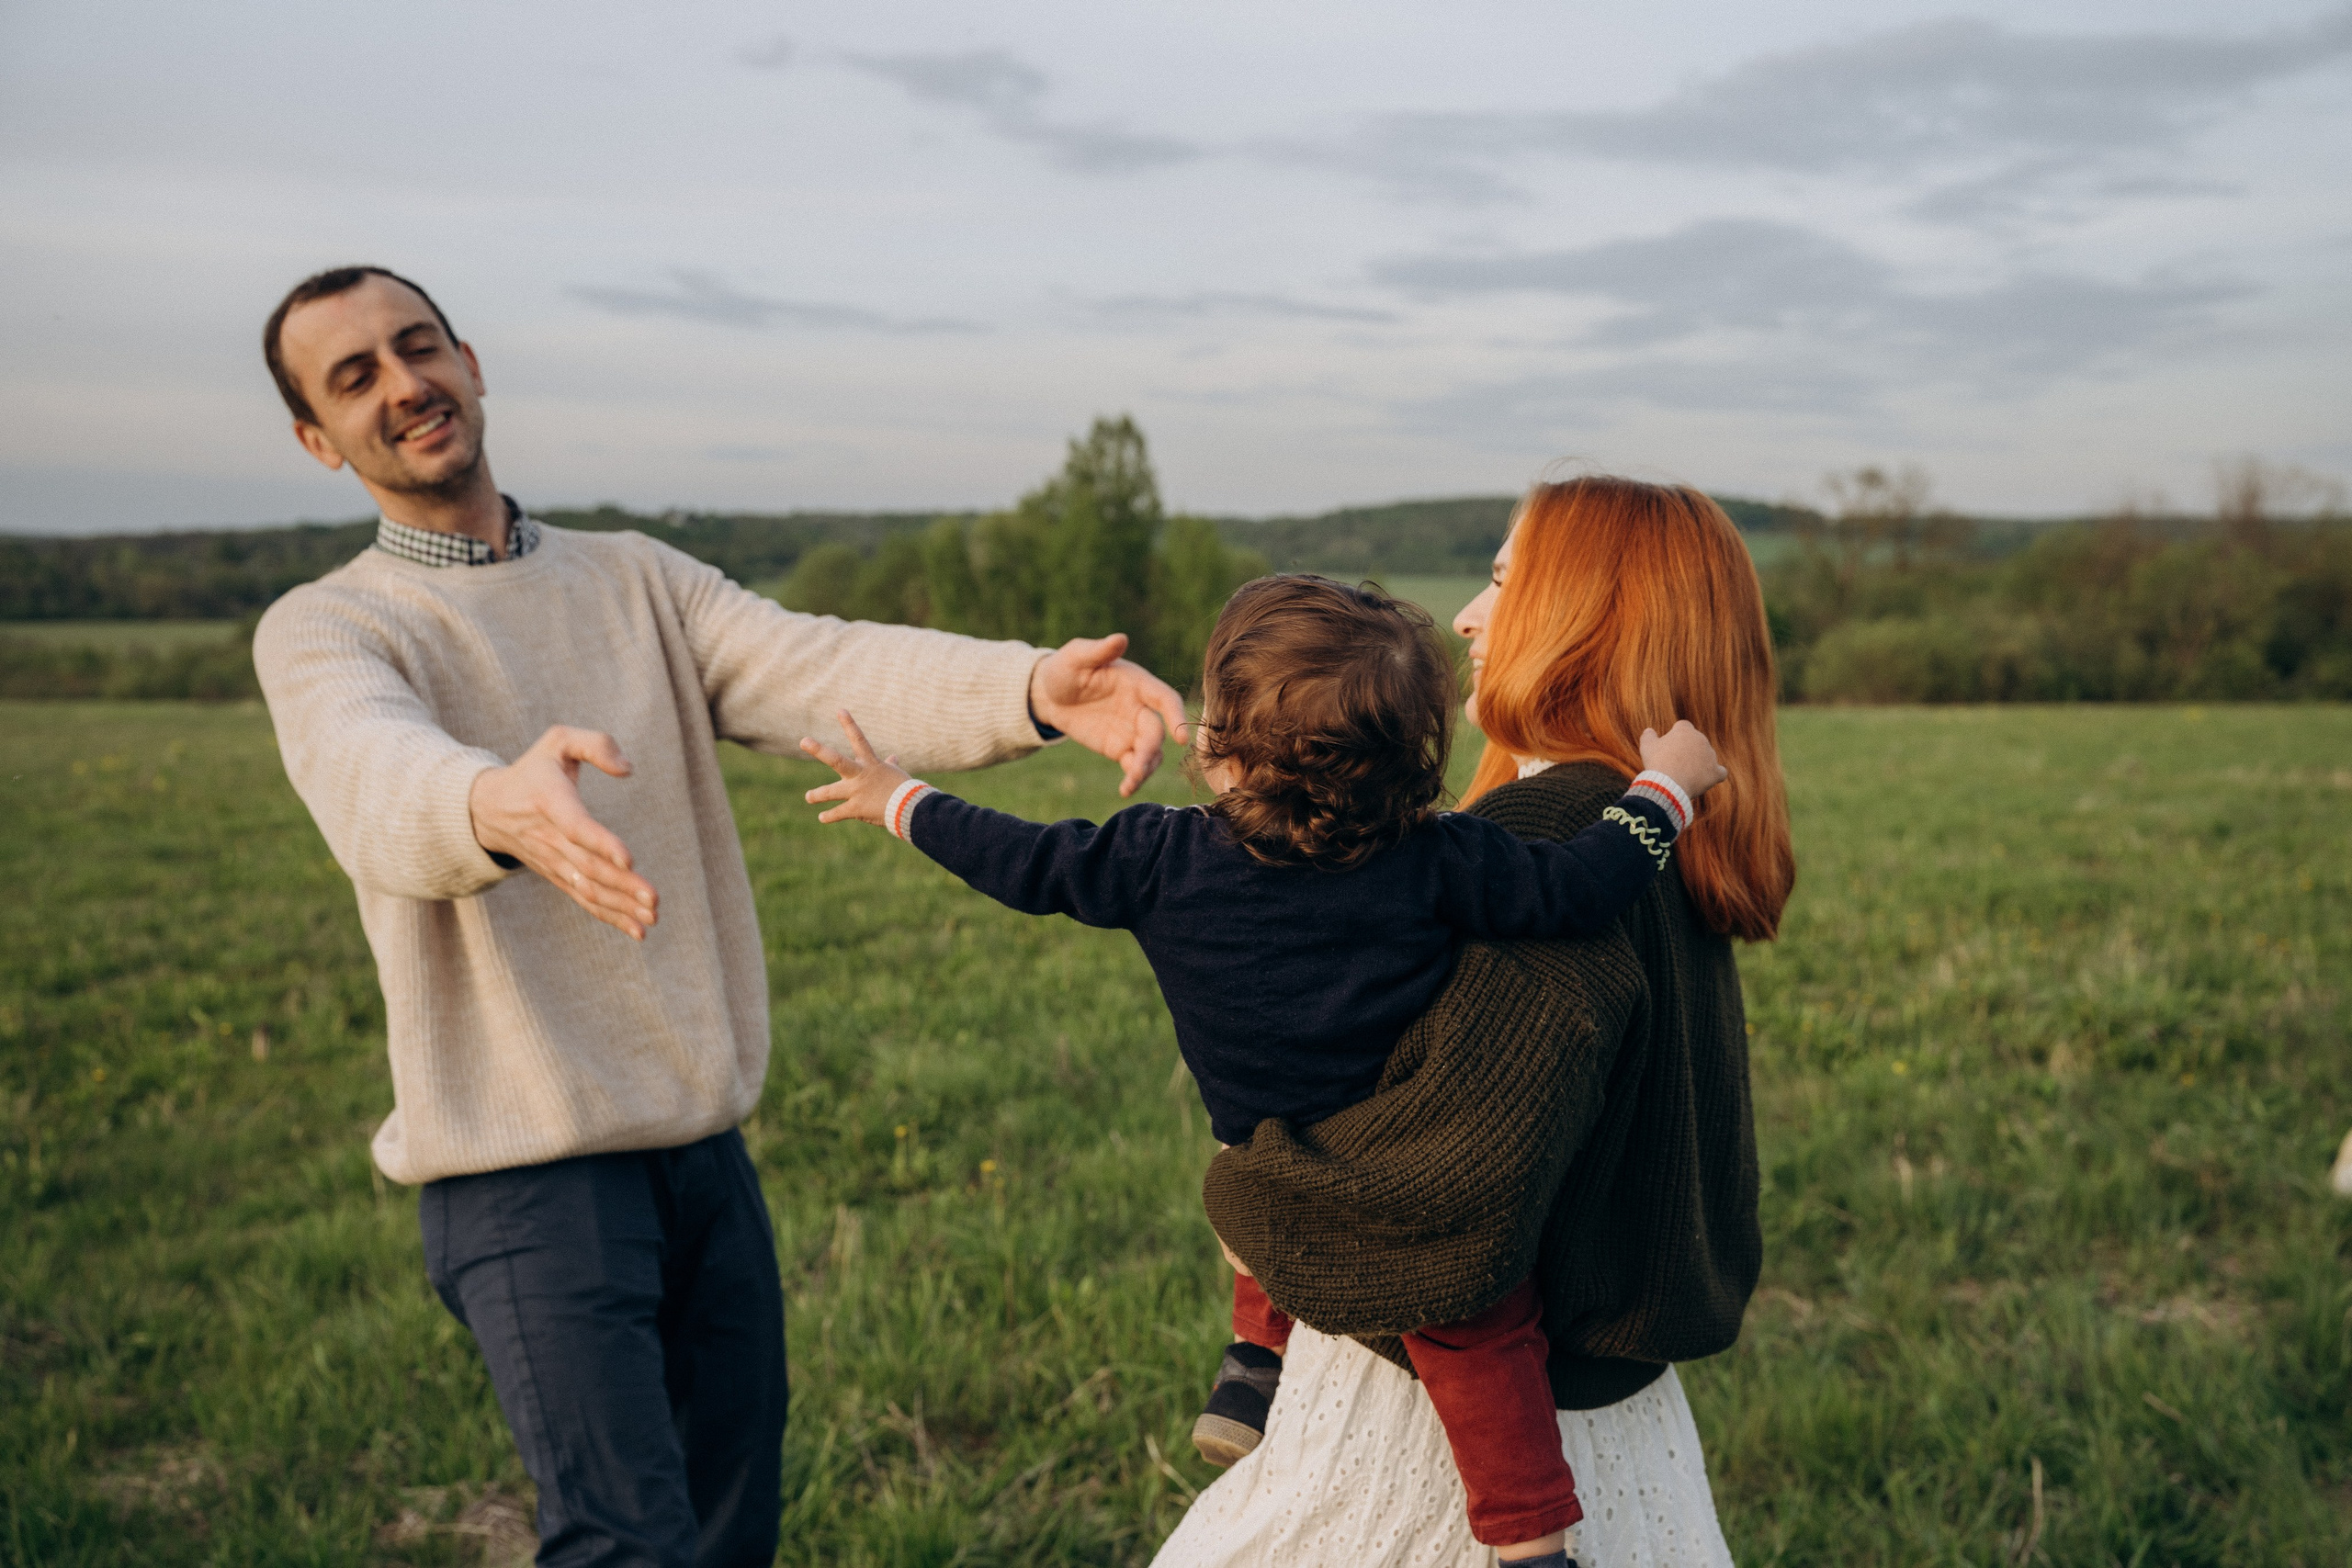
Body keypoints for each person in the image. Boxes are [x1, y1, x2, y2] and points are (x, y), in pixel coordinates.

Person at [247, 265, 1190, 1568]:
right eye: (355, 375)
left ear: (471, 358)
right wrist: (492, 803)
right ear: (315, 435)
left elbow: (818, 661)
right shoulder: (330, 626)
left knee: (733, 1531)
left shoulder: (634, 576)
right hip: (523, 1177)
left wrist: (1029, 687)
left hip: (701, 1153)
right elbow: (368, 767)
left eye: (418, 348)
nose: (403, 385)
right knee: (627, 1544)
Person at [795, 573, 1730, 1565]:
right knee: (1483, 1335)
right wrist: (1664, 785)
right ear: (1413, 755)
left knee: (1262, 1197)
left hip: (1256, 1154)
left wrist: (900, 799)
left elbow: (1020, 861)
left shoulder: (1156, 855)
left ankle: (1250, 1366)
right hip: (1391, 1166)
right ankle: (1530, 1544)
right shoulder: (1437, 860)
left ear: (1217, 741)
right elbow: (1583, 888)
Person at [1153, 476, 1795, 1568]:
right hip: (1613, 1419)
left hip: (1440, 1436)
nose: (1464, 618)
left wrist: (1243, 1180)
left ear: (1590, 620)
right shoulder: (1636, 828)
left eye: (1504, 581)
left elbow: (1441, 1194)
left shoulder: (1550, 836)